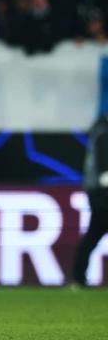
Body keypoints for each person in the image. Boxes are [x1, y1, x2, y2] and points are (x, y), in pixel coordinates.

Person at [73, 114, 108, 287]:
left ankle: (78, 277)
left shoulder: (99, 131)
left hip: (98, 194)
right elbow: (104, 171)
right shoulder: (104, 133)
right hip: (103, 195)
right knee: (93, 236)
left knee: (93, 236)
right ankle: (78, 277)